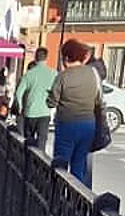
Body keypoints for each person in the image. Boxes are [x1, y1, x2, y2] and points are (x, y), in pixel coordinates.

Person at [47, 39, 103, 187]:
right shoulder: (93, 73)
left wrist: (51, 97)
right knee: (79, 164)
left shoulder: (63, 77)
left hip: (67, 124)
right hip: (88, 124)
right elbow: (98, 99)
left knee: (61, 163)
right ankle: (76, 199)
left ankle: (58, 195)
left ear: (65, 58)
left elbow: (51, 102)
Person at [14, 47, 56, 150]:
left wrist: (19, 107)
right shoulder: (54, 74)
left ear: (35, 58)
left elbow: (18, 93)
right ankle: (39, 162)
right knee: (42, 141)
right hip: (45, 112)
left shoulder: (28, 74)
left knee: (29, 140)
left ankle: (28, 162)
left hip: (30, 112)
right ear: (46, 58)